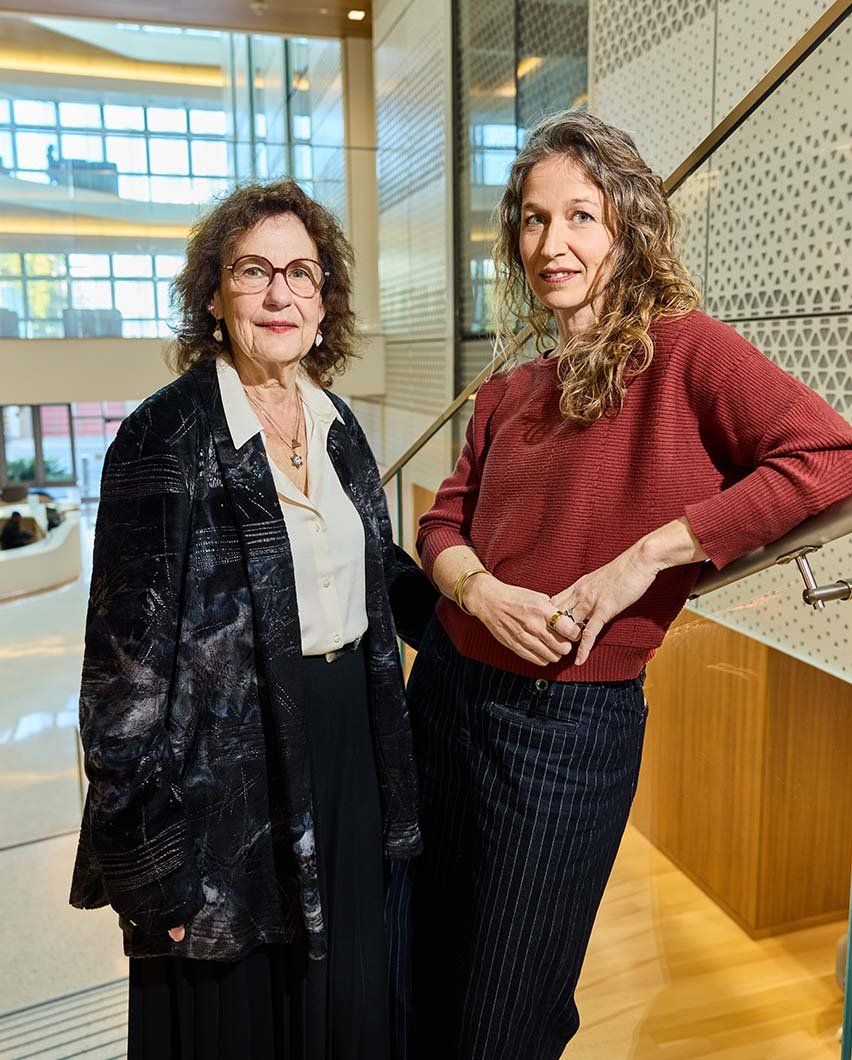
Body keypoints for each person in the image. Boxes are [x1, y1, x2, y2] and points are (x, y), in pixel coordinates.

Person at [394, 110, 852, 1060]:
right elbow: (440, 524)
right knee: (421, 976)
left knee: (506, 1018)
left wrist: (650, 555)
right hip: (440, 696)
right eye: (531, 219)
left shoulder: (686, 353)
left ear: (628, 229)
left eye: (581, 217)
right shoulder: (507, 391)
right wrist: (478, 591)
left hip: (568, 731)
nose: (551, 243)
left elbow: (831, 456)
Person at [69, 179, 433, 1060]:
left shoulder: (335, 419)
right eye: (253, 270)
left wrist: (471, 601)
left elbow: (371, 567)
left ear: (325, 300)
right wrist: (153, 871)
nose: (280, 294)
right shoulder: (166, 436)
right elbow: (123, 668)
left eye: (302, 273)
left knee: (341, 998)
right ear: (212, 294)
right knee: (241, 1015)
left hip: (345, 740)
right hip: (228, 772)